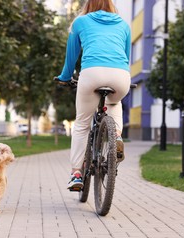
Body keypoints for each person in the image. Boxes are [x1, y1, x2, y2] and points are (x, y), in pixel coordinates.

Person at [55, 0, 131, 190]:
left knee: (81, 124)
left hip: (91, 74)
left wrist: (65, 77)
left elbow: (71, 58)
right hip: (120, 75)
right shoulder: (124, 25)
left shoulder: (80, 22)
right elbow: (126, 57)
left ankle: (76, 174)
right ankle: (117, 137)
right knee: (115, 102)